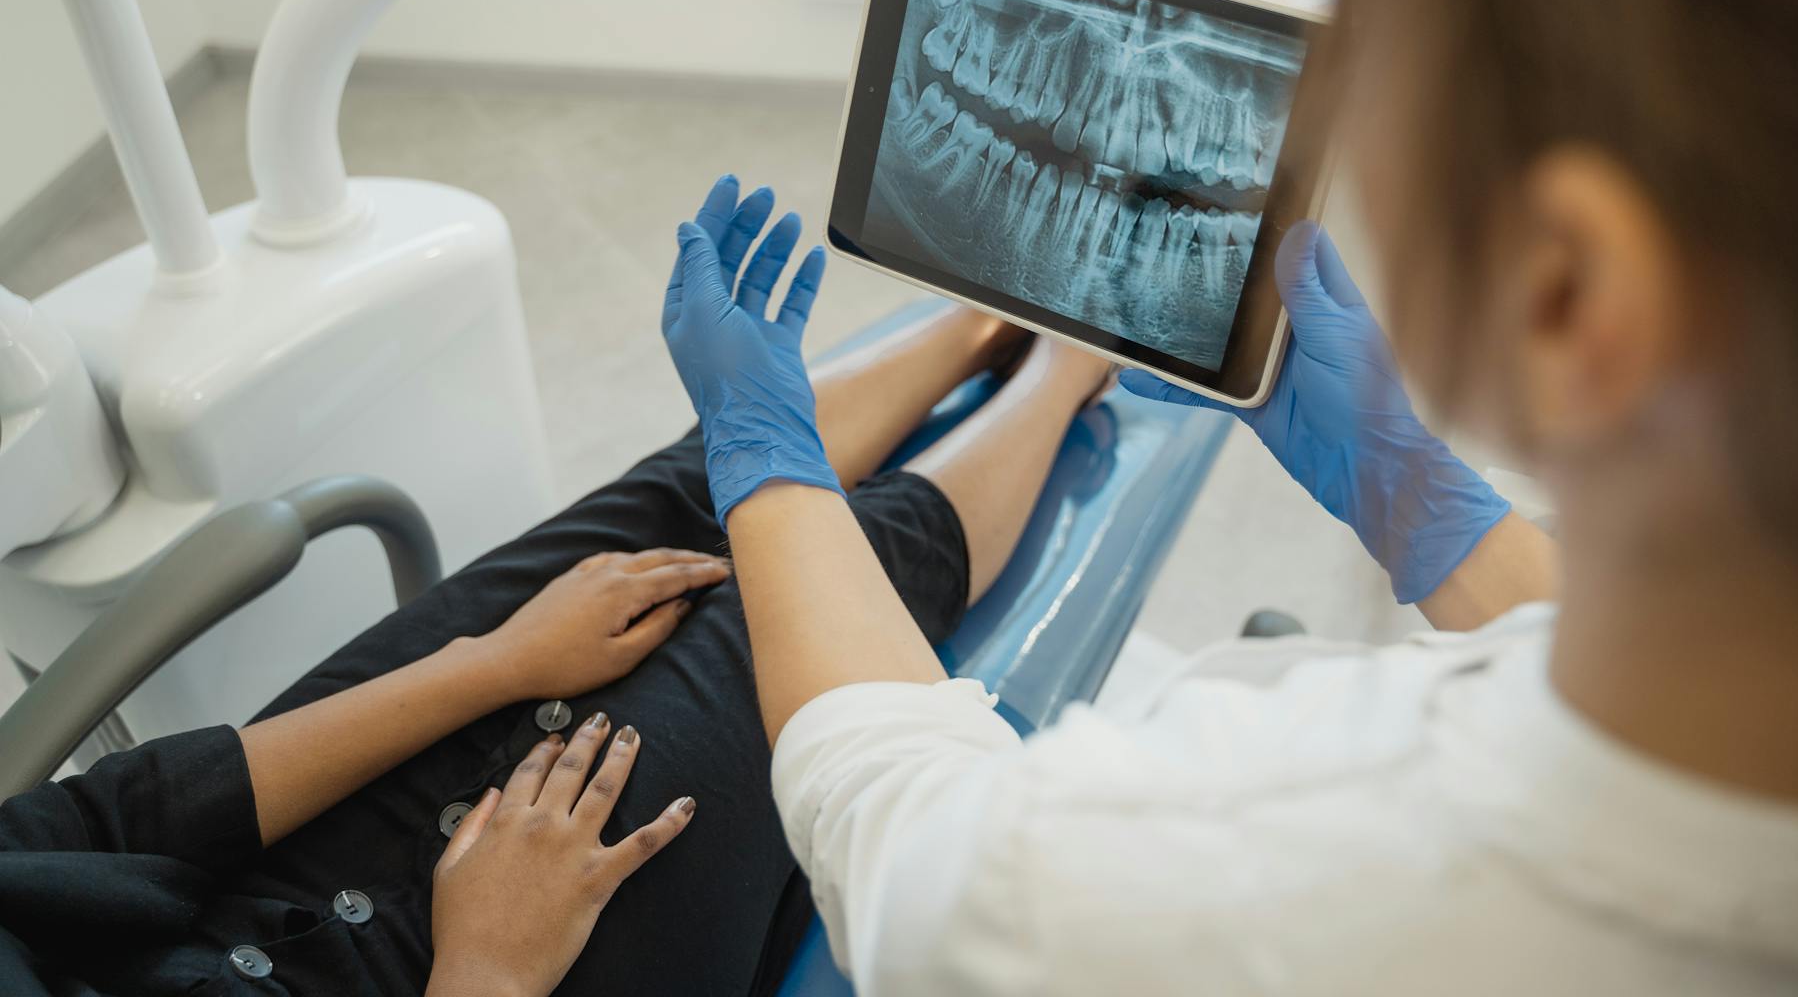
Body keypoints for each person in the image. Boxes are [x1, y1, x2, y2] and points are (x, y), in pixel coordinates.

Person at [657, 0, 1798, 992]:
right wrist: (1431, 505)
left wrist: (765, 457)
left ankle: (1037, 358)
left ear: (1569, 290)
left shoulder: (1190, 876)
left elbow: (900, 836)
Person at [0, 241, 1114, 997]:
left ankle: (983, 326)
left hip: (242, 878)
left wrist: (492, 663)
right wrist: (487, 965)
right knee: (800, 612)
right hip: (491, 972)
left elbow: (107, 818)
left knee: (653, 525)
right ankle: (1066, 365)